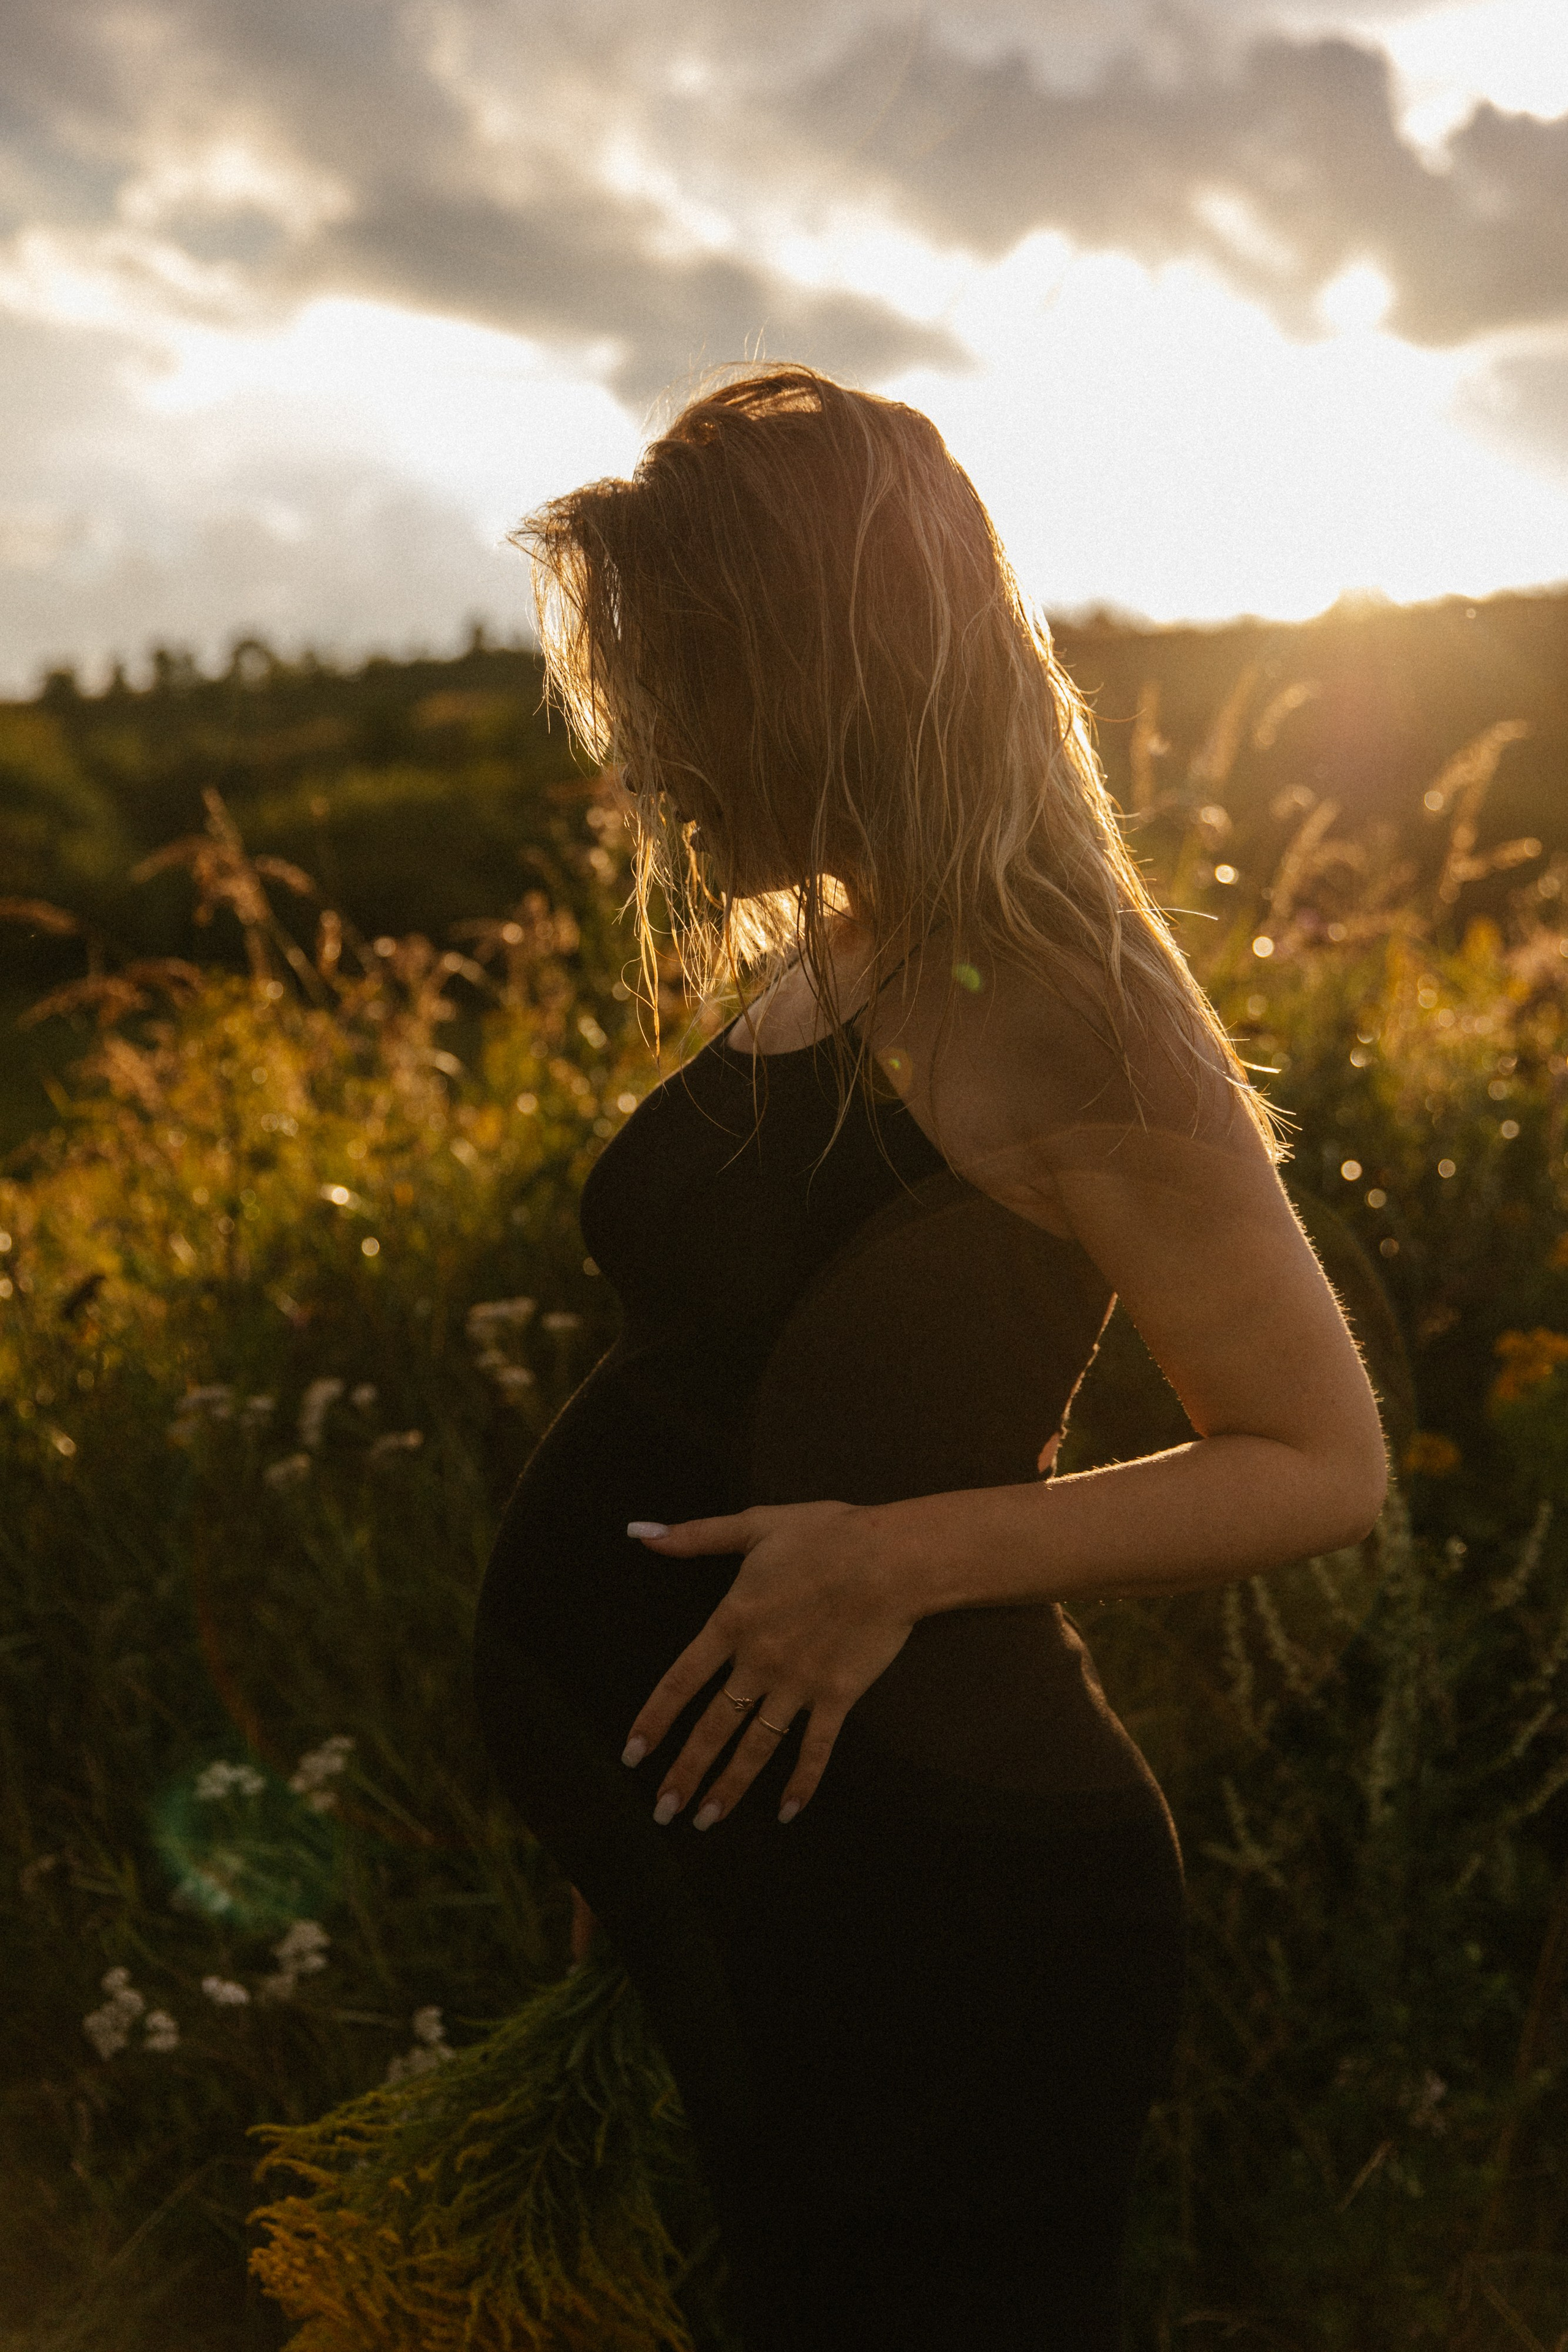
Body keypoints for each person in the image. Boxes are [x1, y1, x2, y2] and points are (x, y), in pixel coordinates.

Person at [471, 365, 1388, 2351]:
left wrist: (897, 1561)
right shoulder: (832, 948)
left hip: (957, 1915)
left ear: (823, 673)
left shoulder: (1074, 1010)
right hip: (760, 1879)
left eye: (676, 698)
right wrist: (632, 1867)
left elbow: (1319, 1458)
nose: (647, 762)